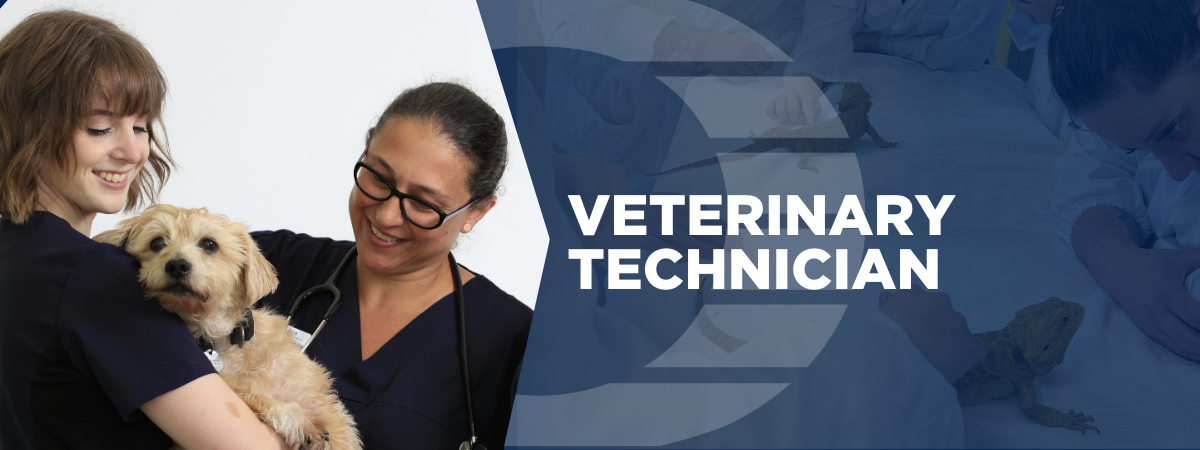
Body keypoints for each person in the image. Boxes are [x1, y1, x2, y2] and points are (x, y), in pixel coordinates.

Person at [0, 10, 296, 449]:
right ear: (29, 127)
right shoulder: (98, 278)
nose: (133, 150)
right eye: (100, 127)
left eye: (140, 126)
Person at [252, 81, 533, 449]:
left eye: (423, 204)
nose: (385, 216)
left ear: (476, 212)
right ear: (366, 150)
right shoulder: (267, 263)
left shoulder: (514, 345)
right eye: (379, 177)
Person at [1049, 0, 1200, 362]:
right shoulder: (1142, 108)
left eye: (1173, 129)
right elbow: (1088, 173)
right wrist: (1117, 262)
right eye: (1139, 150)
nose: (1176, 171)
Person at [768, 0, 1010, 125]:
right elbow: (823, 28)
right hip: (861, 62)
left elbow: (958, 56)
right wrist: (802, 81)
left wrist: (876, 41)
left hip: (952, 78)